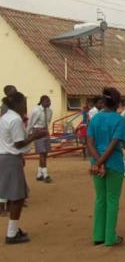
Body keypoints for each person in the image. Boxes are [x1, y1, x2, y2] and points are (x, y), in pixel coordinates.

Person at [0, 92, 48, 244]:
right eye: (24, 103)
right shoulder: (14, 119)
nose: (26, 106)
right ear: (19, 104)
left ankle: (13, 231)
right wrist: (35, 136)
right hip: (10, 159)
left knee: (15, 196)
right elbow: (18, 143)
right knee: (17, 198)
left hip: (6, 157)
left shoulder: (5, 117)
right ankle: (11, 234)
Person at [86, 87, 125, 247]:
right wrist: (102, 162)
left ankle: (98, 235)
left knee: (100, 199)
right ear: (116, 103)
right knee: (112, 200)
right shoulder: (118, 119)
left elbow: (89, 142)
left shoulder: (95, 118)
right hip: (113, 164)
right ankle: (110, 237)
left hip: (96, 164)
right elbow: (113, 144)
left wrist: (97, 163)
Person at [0, 85, 18, 217]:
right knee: (4, 179)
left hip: (10, 147)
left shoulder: (14, 106)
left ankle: (14, 200)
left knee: (10, 178)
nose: (15, 91)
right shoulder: (6, 108)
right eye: (12, 90)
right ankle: (2, 207)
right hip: (6, 148)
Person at [27, 95, 53, 183]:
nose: (49, 103)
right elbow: (31, 123)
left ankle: (39, 174)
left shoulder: (50, 111)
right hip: (37, 132)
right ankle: (45, 175)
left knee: (45, 153)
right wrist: (28, 133)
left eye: (49, 101)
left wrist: (45, 130)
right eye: (47, 101)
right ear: (42, 102)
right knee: (42, 152)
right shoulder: (36, 110)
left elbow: (48, 121)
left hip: (45, 131)